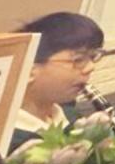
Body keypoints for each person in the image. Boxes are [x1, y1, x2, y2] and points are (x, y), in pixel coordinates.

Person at [9, 12, 105, 152]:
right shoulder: (4, 139)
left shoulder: (71, 116)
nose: (91, 67)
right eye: (78, 59)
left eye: (93, 56)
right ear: (29, 69)